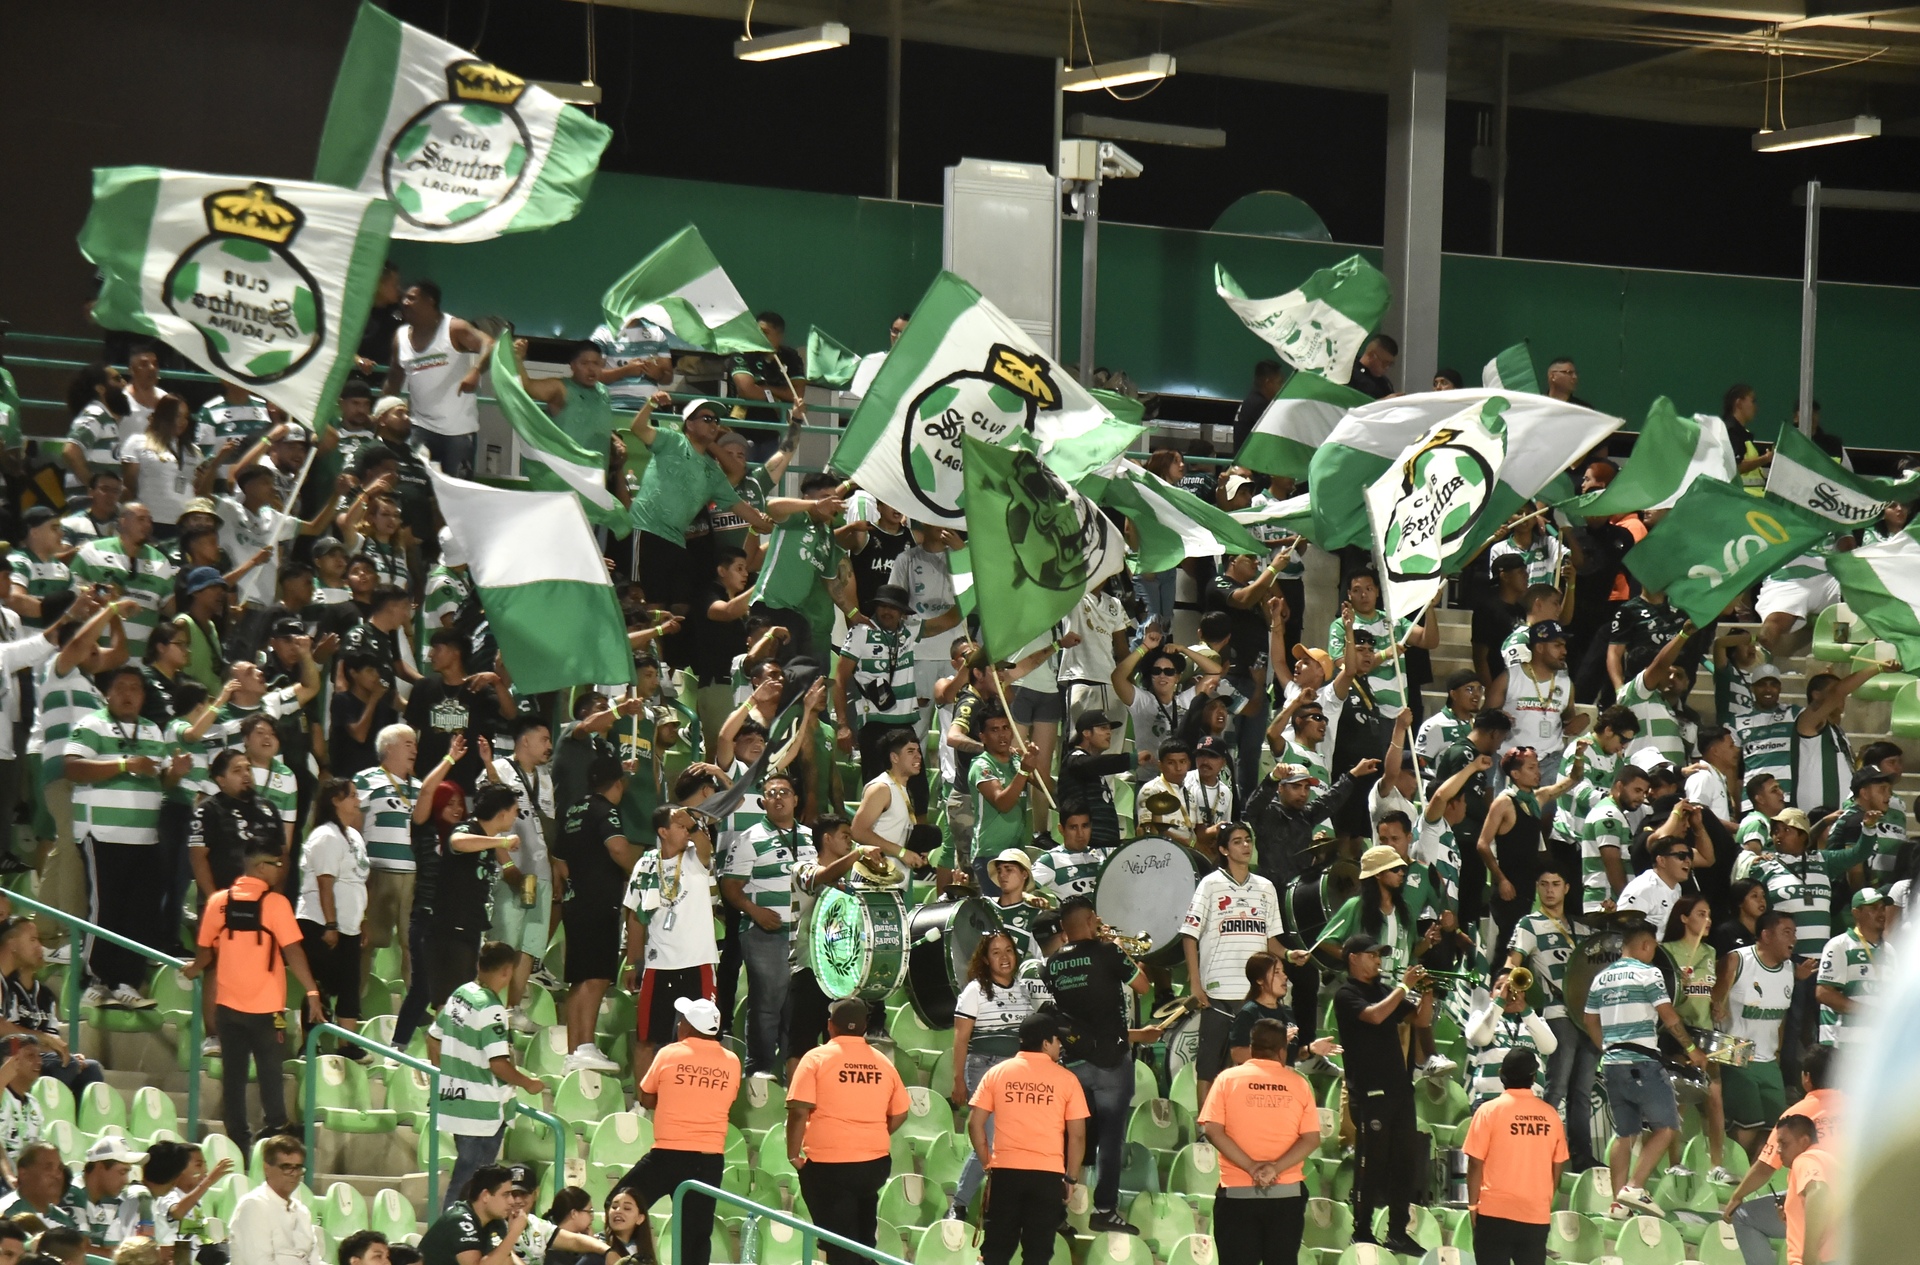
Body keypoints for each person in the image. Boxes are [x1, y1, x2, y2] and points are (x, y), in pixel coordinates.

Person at [184, 836, 324, 1148]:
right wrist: (312, 991)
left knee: (233, 1076)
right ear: (261, 867)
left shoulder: (218, 902)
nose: (280, 870)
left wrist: (193, 969)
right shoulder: (276, 904)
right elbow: (293, 951)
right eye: (276, 864)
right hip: (269, 1012)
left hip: (228, 1009)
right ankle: (275, 1131)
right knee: (270, 1072)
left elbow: (205, 953)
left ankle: (238, 1142)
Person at [66, 666, 193, 1008]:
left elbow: (160, 780)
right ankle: (96, 981)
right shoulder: (92, 724)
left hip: (146, 838)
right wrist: (124, 765)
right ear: (107, 694)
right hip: (101, 834)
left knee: (140, 912)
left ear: (143, 696)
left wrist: (175, 773)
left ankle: (127, 982)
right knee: (105, 909)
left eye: (135, 688)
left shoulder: (152, 730)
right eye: (120, 687)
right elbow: (72, 767)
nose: (128, 693)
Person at [1042, 896, 1158, 1234]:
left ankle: (1057, 1211)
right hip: (1111, 1061)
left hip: (1074, 1060)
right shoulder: (1108, 952)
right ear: (1091, 919)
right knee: (1110, 1139)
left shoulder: (1051, 965)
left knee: (1069, 1137)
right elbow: (1143, 986)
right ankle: (1104, 1209)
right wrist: (1119, 949)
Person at [1580, 921, 1707, 1216]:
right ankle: (1635, 1187)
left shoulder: (1601, 978)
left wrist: (1607, 1048)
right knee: (1668, 1126)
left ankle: (1617, 1204)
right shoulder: (1649, 973)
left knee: (1625, 1134)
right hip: (1643, 1063)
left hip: (1612, 1064)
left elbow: (1589, 1021)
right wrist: (1692, 1049)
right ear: (1646, 945)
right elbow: (1669, 1016)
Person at [614, 997, 738, 1265]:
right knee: (695, 1238)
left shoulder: (669, 1053)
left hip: (668, 1155)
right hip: (709, 1160)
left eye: (682, 1020)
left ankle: (633, 1259)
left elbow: (646, 1098)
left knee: (620, 1204)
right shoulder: (732, 1061)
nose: (679, 1024)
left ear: (688, 1026)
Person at [787, 998, 910, 1265]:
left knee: (839, 1244)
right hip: (874, 1165)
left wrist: (793, 1155)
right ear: (865, 1027)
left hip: (829, 1166)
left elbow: (798, 1111)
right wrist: (874, 1134)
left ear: (830, 1026)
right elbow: (901, 1112)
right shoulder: (882, 1062)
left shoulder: (816, 1058)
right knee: (864, 1239)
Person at [427, 941, 546, 1210]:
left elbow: (433, 1039)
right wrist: (529, 1083)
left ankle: (457, 1228)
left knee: (468, 1178)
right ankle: (452, 1230)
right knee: (473, 1183)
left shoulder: (459, 995)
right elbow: (498, 1064)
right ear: (507, 971)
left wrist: (449, 1078)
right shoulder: (491, 1009)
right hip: (482, 1109)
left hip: (456, 1102)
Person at [1334, 933, 1433, 1255]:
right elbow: (1375, 1016)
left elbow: (1420, 1019)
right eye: (1372, 955)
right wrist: (1404, 986)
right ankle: (1361, 1230)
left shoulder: (1383, 990)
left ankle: (1397, 1232)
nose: (1378, 960)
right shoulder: (1346, 993)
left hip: (1399, 1088)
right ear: (1353, 958)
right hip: (1370, 1091)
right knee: (1371, 1162)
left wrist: (1428, 993)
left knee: (1405, 1163)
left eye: (1379, 955)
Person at [967, 1012, 1090, 1265]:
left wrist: (988, 1164)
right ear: (1045, 1043)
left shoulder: (997, 1073)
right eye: (1057, 1040)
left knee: (995, 1252)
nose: (1060, 1045)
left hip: (1006, 1173)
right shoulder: (1068, 1080)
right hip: (1047, 1177)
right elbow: (1077, 1136)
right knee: (1038, 1255)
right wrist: (1071, 1178)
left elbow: (974, 1124)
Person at [1197, 1015, 1319, 1263]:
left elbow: (1212, 1130)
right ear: (1282, 1051)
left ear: (1252, 1047)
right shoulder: (1299, 1084)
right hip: (1287, 1195)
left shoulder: (1226, 1079)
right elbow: (1311, 1139)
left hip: (1236, 1194)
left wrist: (1252, 1167)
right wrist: (1274, 1169)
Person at [948, 931, 1049, 1221]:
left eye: (1008, 950)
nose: (1004, 957)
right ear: (985, 959)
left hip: (1018, 1073)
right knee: (991, 1141)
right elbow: (961, 1039)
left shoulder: (1024, 990)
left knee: (1012, 1142)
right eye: (996, 952)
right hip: (985, 1068)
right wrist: (958, 1080)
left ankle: (1001, 1208)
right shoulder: (974, 991)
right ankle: (959, 1204)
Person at [1182, 821, 1286, 1105]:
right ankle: (1205, 1125)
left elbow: (1272, 943)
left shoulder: (1266, 888)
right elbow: (1189, 935)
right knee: (1208, 1068)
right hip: (1218, 992)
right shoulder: (1210, 884)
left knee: (1250, 1067)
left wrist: (1290, 955)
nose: (1245, 846)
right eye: (1238, 841)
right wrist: (1195, 985)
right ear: (1224, 850)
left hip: (1254, 995)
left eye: (1248, 840)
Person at [719, 769, 810, 1077]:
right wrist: (755, 912)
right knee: (767, 1005)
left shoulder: (811, 837)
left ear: (795, 800)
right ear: (763, 803)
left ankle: (789, 1073)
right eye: (771, 794)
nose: (778, 798)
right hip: (765, 932)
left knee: (796, 1008)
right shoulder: (749, 839)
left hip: (803, 936)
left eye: (784, 792)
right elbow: (730, 886)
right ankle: (758, 1069)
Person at [623, 805, 719, 1081]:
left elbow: (706, 847)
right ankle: (643, 1101)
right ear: (663, 832)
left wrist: (693, 824)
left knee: (702, 1038)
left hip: (698, 962)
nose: (686, 831)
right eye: (679, 826)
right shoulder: (645, 865)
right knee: (646, 1038)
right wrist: (631, 963)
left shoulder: (695, 857)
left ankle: (695, 1096)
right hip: (659, 964)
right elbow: (636, 917)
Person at [1463, 1049, 1568, 1265]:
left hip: (1494, 1213)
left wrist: (1472, 1206)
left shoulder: (1488, 1111)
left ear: (1501, 1074)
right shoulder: (1551, 1115)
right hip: (1535, 1215)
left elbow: (1475, 1163)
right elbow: (1557, 1166)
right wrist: (1544, 1201)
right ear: (1533, 1077)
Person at [381, 281, 491, 478]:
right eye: (403, 298)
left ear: (430, 301)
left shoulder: (454, 328)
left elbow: (489, 344)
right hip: (420, 427)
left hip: (458, 431)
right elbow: (394, 378)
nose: (404, 302)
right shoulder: (401, 337)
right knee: (415, 484)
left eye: (411, 298)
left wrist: (476, 371)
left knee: (457, 490)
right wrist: (380, 410)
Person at [1711, 910, 1799, 1156]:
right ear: (1766, 935)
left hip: (1768, 1058)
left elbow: (1781, 1018)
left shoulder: (1789, 969)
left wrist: (1777, 1054)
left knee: (1775, 1132)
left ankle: (1753, 1176)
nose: (1793, 939)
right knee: (1746, 1126)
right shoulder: (1737, 960)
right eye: (1786, 932)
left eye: (1794, 933)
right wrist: (1716, 1007)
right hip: (1735, 1050)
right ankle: (1731, 1171)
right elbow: (1711, 1000)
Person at [296, 780, 372, 1044]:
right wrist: (330, 925)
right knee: (321, 987)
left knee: (350, 988)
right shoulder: (326, 835)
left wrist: (362, 920)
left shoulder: (354, 836)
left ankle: (347, 1046)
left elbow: (358, 881)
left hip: (349, 926)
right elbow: (325, 883)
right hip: (321, 923)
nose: (358, 801)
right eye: (352, 796)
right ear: (335, 801)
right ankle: (310, 1044)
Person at [1817, 886, 1892, 1050]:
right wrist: (1867, 1012)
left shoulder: (1890, 951)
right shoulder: (1839, 945)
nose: (1881, 913)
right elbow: (1824, 993)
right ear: (1856, 913)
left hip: (1876, 1045)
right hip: (1841, 1044)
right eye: (1873, 908)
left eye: (1882, 908)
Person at [228, 1135, 323, 1265]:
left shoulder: (302, 1211)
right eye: (286, 1167)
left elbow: (315, 1260)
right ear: (267, 1168)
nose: (294, 1173)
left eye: (298, 1167)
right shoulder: (253, 1205)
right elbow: (259, 1262)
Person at [144, 1139, 230, 1265]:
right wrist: (209, 1181)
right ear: (180, 1169)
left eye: (205, 1165)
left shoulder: (195, 1199)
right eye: (198, 1165)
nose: (205, 1170)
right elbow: (177, 1212)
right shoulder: (168, 1195)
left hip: (200, 1252)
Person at [1056, 713, 1134, 848]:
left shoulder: (1090, 766)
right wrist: (1131, 760)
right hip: (1089, 847)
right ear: (1086, 733)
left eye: (1109, 729)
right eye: (1103, 728)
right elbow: (1095, 764)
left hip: (1104, 845)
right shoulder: (1074, 759)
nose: (1109, 733)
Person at [417, 1164, 518, 1265]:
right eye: (506, 1195)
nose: (512, 1201)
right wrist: (514, 1232)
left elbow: (506, 1261)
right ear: (485, 1196)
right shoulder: (458, 1220)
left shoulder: (496, 1222)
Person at [1348, 334, 1397, 398]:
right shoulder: (1349, 373)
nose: (1386, 367)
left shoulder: (1383, 383)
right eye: (1384, 363)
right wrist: (1381, 401)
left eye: (1390, 364)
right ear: (1371, 355)